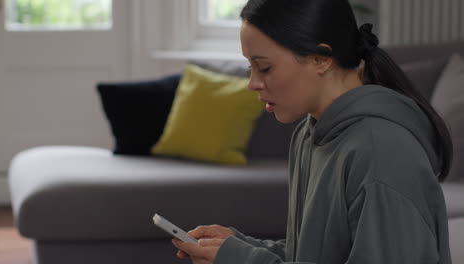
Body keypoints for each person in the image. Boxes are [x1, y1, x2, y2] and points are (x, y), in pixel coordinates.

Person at [172, 0, 454, 263]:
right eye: (251, 68)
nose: (252, 83)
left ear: (321, 58)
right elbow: (312, 255)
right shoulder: (310, 133)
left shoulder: (382, 151)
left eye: (264, 67)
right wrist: (239, 246)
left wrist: (242, 259)